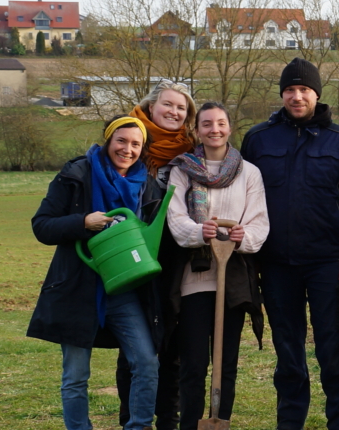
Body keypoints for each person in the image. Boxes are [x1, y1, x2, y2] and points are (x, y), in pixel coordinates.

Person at [239, 57, 339, 430]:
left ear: (317, 94)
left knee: (333, 350)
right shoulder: (258, 140)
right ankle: (289, 422)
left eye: (304, 90)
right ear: (281, 94)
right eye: (290, 90)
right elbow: (244, 197)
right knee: (288, 352)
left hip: (328, 263)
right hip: (276, 263)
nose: (297, 96)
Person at [29, 115, 165, 430]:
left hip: (124, 291)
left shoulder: (149, 186)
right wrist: (82, 222)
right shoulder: (76, 173)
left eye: (135, 144)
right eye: (121, 141)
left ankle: (138, 426)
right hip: (78, 289)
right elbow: (42, 226)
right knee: (75, 376)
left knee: (146, 363)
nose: (127, 150)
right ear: (108, 140)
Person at [164, 102, 270, 430]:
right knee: (194, 363)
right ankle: (190, 424)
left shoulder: (249, 172)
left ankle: (219, 420)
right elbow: (174, 218)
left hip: (233, 279)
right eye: (207, 124)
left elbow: (259, 223)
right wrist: (200, 232)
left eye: (220, 123)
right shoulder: (182, 170)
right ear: (196, 131)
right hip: (195, 280)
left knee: (227, 363)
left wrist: (242, 235)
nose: (215, 130)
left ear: (229, 128)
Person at [118, 79, 198, 430]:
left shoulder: (193, 151)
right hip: (135, 257)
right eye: (168, 105)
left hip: (180, 259)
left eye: (181, 108)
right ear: (151, 107)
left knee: (175, 343)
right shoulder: (128, 144)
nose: (174, 112)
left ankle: (169, 418)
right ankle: (131, 418)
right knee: (136, 346)